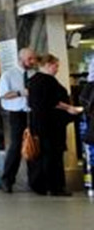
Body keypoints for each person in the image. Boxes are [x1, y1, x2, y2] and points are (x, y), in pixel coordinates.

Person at [26, 54, 84, 196]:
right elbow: (53, 101)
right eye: (55, 66)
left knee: (41, 155)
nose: (57, 69)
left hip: (38, 123)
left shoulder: (33, 80)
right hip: (51, 125)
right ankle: (56, 186)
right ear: (47, 65)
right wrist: (70, 108)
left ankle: (40, 185)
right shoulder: (47, 81)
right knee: (53, 155)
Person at [0, 47, 36, 193]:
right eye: (29, 59)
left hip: (31, 112)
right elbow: (3, 95)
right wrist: (21, 93)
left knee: (34, 145)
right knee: (16, 146)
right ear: (21, 59)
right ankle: (7, 179)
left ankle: (34, 180)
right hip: (16, 113)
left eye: (33, 58)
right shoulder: (8, 75)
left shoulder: (34, 74)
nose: (32, 62)